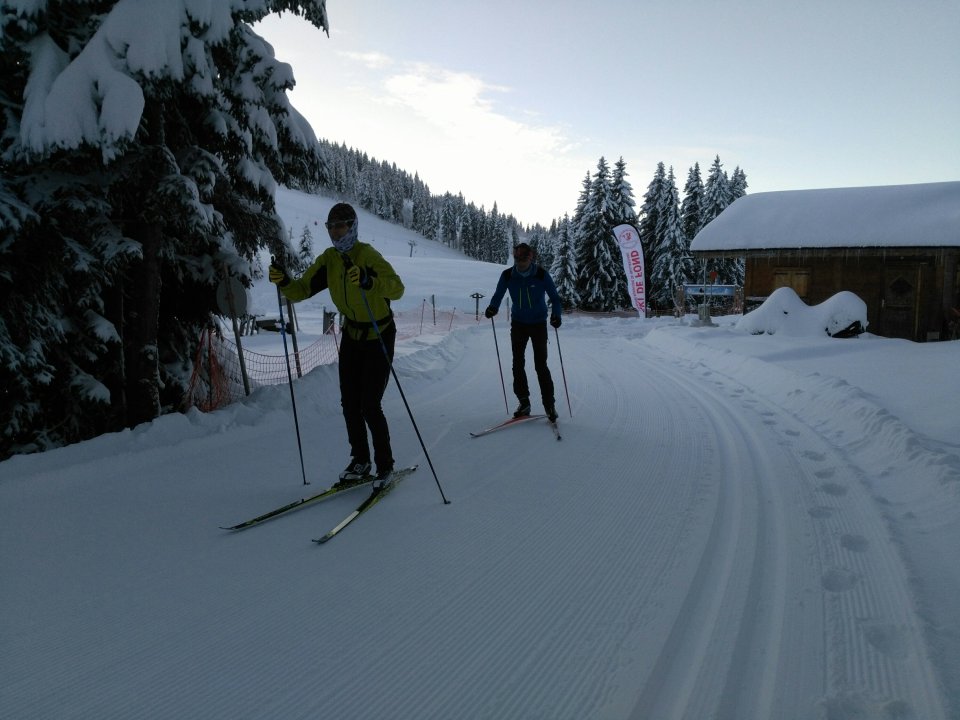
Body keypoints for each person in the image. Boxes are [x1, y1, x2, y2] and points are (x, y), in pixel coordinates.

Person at [269, 202, 405, 485]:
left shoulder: (367, 255)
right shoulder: (329, 260)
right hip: (352, 336)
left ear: (352, 226)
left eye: (340, 226)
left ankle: (385, 465)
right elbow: (301, 290)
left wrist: (369, 281)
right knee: (349, 403)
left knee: (370, 404)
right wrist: (284, 282)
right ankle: (360, 460)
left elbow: (397, 288)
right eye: (330, 227)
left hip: (379, 334)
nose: (334, 232)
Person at [484, 242, 563, 422]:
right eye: (517, 259)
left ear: (530, 257)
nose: (520, 263)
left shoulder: (541, 274)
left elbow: (555, 298)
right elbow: (498, 294)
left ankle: (549, 405)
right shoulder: (507, 275)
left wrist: (556, 315)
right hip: (518, 323)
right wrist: (493, 307)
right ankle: (524, 402)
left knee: (540, 365)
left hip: (538, 324)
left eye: (523, 259)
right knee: (517, 364)